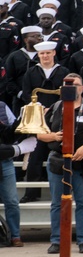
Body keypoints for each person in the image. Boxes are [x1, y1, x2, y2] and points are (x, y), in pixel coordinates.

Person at [36, 72, 83, 254]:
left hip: (82, 161)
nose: (72, 87)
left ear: (82, 88)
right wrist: (53, 136)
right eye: (68, 84)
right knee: (57, 203)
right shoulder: (56, 107)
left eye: (75, 84)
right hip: (59, 160)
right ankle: (57, 241)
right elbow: (40, 133)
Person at [0, 100, 35, 247]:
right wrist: (18, 149)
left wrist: (24, 118)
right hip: (6, 157)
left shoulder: (2, 105)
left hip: (4, 161)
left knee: (12, 201)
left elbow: (8, 135)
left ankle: (15, 235)